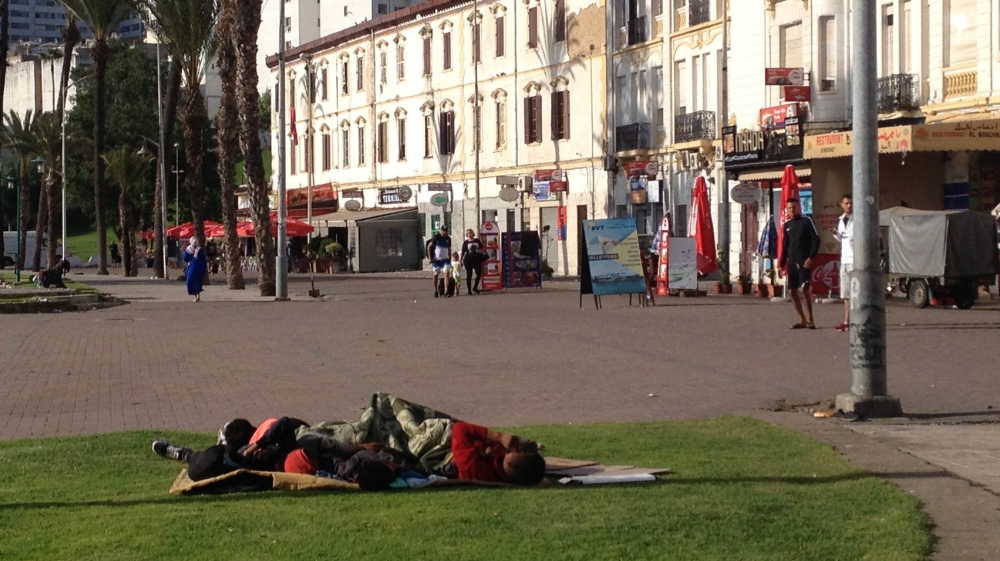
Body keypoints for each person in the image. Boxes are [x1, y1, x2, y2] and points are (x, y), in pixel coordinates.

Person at [447, 421, 546, 485]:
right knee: (528, 445)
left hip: (448, 441)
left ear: (512, 464)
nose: (516, 450)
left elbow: (459, 428)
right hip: (473, 439)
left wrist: (499, 436)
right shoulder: (503, 465)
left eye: (519, 452)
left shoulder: (475, 468)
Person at [778, 198, 820, 329]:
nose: (792, 210)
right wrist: (781, 263)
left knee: (804, 289)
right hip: (792, 262)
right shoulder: (787, 225)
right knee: (792, 290)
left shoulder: (806, 221)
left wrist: (811, 257)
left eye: (794, 207)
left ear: (798, 207)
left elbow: (816, 240)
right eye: (789, 208)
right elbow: (786, 246)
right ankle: (802, 319)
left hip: (804, 261)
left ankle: (811, 319)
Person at [831, 194, 854, 332]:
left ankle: (857, 320)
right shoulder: (841, 220)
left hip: (855, 260)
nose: (849, 205)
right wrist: (836, 234)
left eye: (851, 203)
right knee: (845, 293)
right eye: (846, 203)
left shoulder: (857, 219)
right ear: (842, 205)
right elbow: (842, 238)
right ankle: (846, 321)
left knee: (856, 292)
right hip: (844, 259)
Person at [426, 225, 453, 298]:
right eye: (443, 231)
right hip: (437, 259)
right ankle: (436, 290)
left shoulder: (448, 238)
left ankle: (446, 291)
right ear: (441, 230)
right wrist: (430, 258)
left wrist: (450, 258)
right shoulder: (436, 237)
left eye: (446, 231)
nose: (445, 232)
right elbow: (429, 247)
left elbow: (449, 249)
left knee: (446, 274)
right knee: (435, 275)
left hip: (445, 259)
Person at [183, 236, 207, 302]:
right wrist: (205, 267)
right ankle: (198, 296)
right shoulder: (200, 249)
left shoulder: (188, 249)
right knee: (198, 282)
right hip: (200, 268)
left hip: (192, 267)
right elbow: (204, 259)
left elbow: (185, 258)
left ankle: (195, 296)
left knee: (191, 281)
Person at [460, 229, 484, 295]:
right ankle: (469, 290)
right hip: (468, 260)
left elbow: (482, 248)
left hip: (477, 259)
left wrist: (480, 250)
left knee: (479, 273)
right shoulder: (465, 242)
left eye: (470, 233)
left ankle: (475, 287)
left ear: (472, 234)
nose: (469, 235)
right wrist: (460, 260)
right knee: (469, 275)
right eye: (468, 234)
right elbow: (463, 252)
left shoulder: (477, 241)